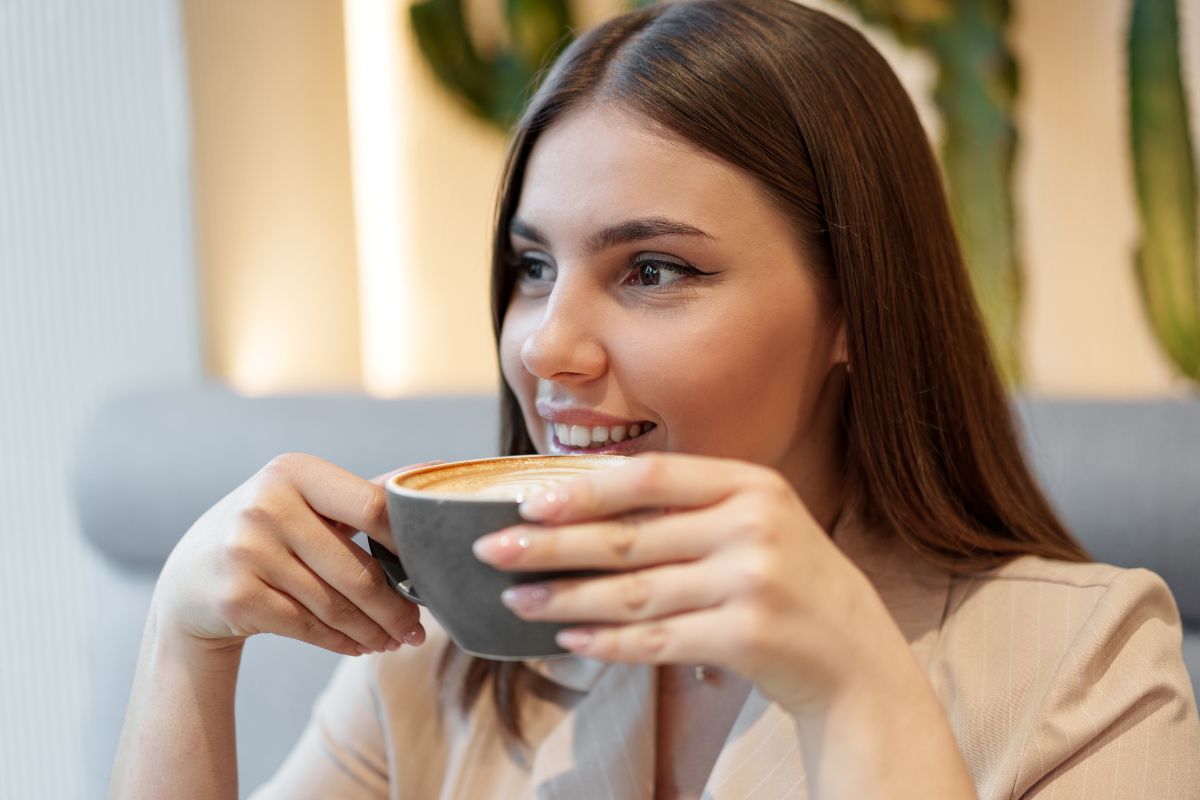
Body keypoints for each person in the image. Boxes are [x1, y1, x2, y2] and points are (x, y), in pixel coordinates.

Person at [110, 1, 1200, 797]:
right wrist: (184, 645)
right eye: (533, 268)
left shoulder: (1083, 663)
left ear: (852, 308)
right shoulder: (444, 672)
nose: (548, 345)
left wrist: (856, 683)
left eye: (654, 270)